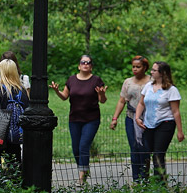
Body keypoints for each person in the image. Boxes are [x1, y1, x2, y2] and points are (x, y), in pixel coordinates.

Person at [51, 54, 107, 184]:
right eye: (83, 62)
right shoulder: (71, 80)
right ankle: (84, 169)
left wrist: (101, 94)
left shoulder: (96, 80)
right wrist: (56, 91)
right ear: (79, 65)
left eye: (88, 62)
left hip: (91, 119)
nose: (85, 64)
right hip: (74, 119)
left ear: (91, 66)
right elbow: (65, 96)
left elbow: (102, 101)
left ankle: (82, 177)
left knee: (83, 145)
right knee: (76, 148)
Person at [133, 61, 184, 182]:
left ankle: (159, 184)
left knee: (158, 155)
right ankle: (144, 182)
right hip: (148, 124)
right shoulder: (148, 86)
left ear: (162, 73)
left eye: (154, 70)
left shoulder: (172, 90)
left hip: (165, 124)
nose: (151, 72)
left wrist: (180, 131)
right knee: (145, 154)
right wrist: (137, 117)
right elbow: (141, 103)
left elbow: (176, 111)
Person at [109, 55, 151, 183]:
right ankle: (136, 179)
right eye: (133, 66)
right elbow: (122, 101)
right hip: (131, 117)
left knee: (145, 148)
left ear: (145, 67)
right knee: (134, 147)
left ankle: (145, 176)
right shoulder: (128, 82)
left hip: (147, 118)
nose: (135, 69)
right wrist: (115, 118)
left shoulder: (151, 81)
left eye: (138, 67)